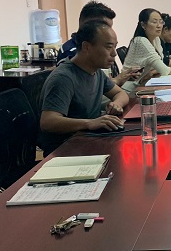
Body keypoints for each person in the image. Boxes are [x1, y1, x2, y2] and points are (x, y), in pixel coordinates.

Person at [38, 20, 130, 155]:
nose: (114, 53)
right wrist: (89, 123)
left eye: (114, 47)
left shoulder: (96, 71)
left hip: (89, 140)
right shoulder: (64, 77)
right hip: (66, 150)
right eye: (108, 47)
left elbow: (121, 94)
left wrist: (116, 104)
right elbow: (48, 121)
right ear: (86, 47)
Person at [57, 0, 141, 86]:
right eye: (105, 26)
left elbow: (108, 84)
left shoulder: (101, 50)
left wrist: (125, 77)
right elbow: (88, 87)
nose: (109, 31)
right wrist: (118, 79)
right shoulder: (72, 52)